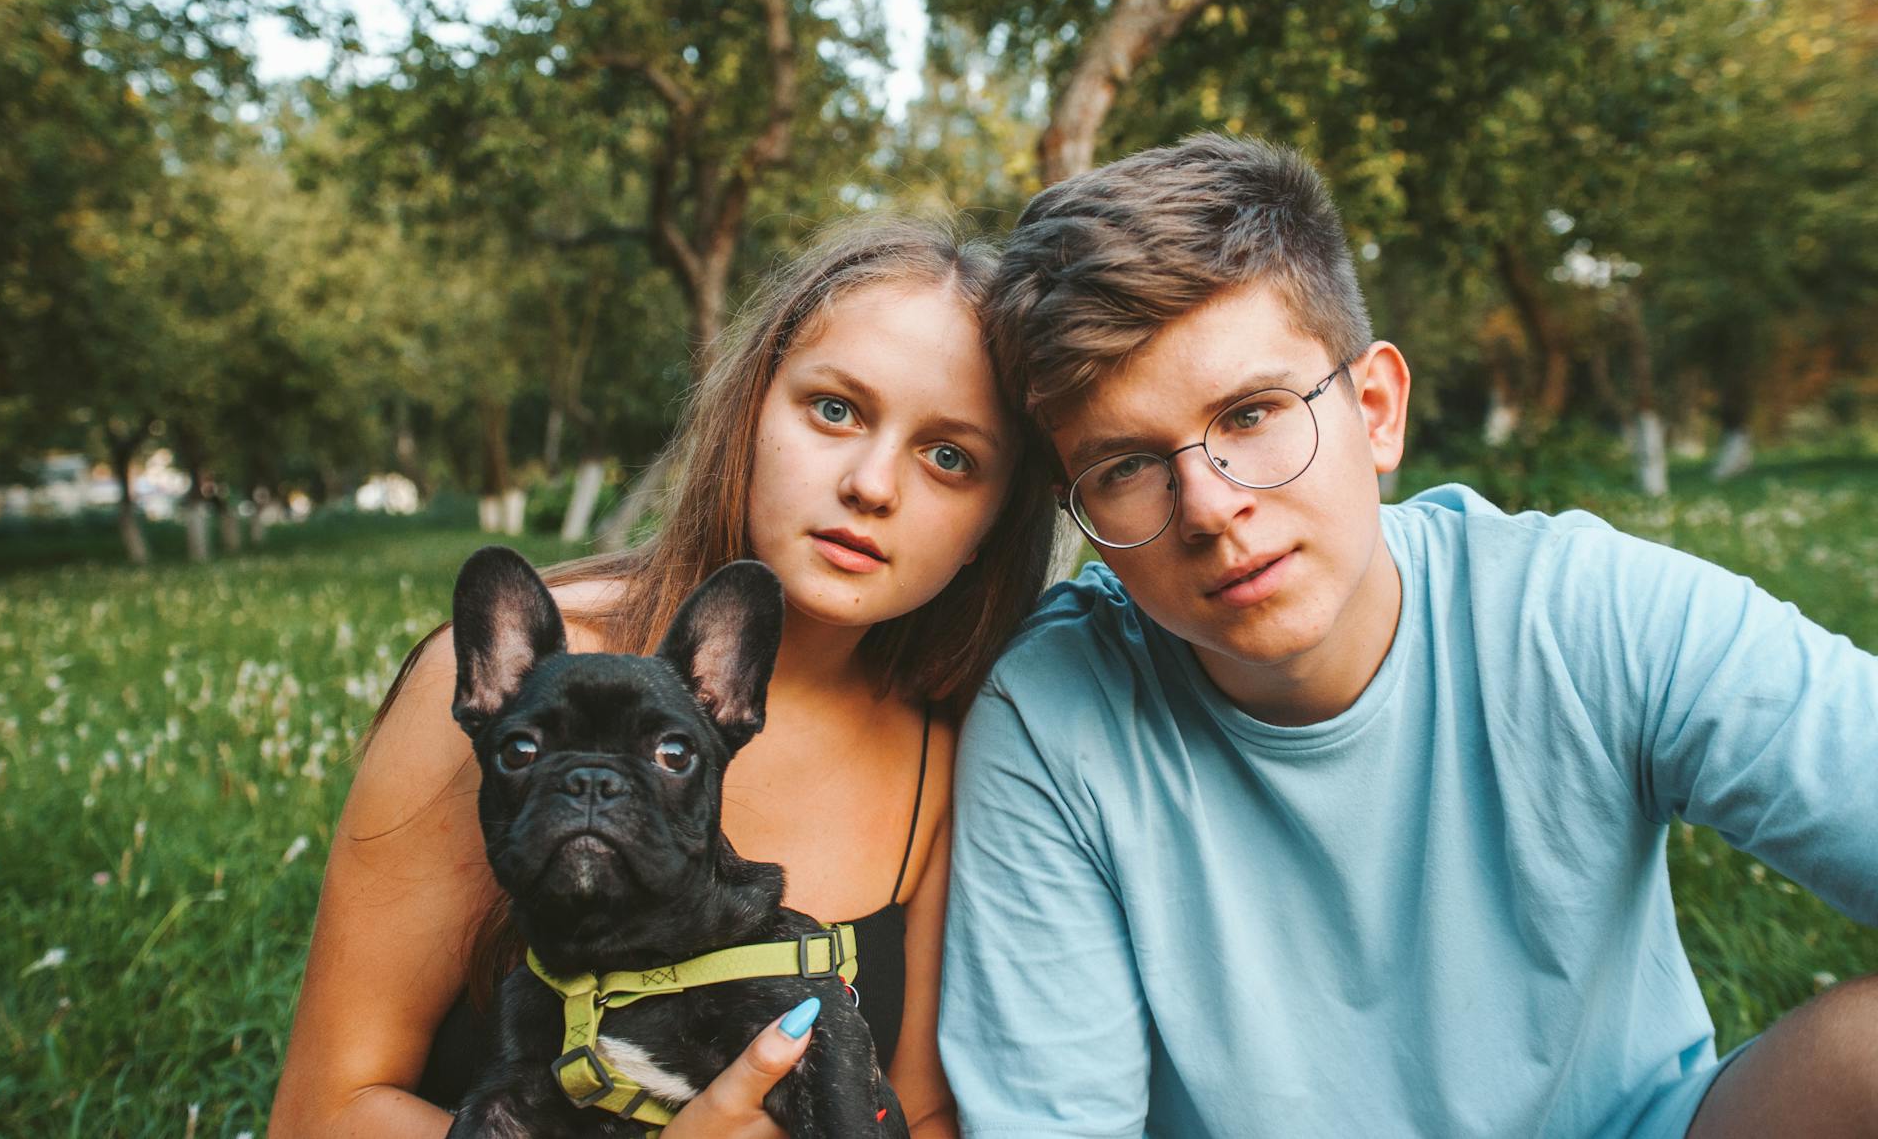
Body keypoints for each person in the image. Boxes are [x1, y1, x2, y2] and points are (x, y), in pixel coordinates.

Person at [939, 134, 1878, 1138]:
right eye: (1125, 466)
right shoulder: (1048, 720)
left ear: (1376, 409)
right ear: (1079, 514)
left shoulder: (1576, 609)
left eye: (1253, 414)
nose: (1209, 509)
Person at [269, 215, 1057, 1138]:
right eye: (836, 409)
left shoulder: (950, 747)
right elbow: (320, 1112)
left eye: (949, 457)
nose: (873, 483)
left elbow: (921, 1116)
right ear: (749, 414)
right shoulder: (524, 690)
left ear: (990, 529)